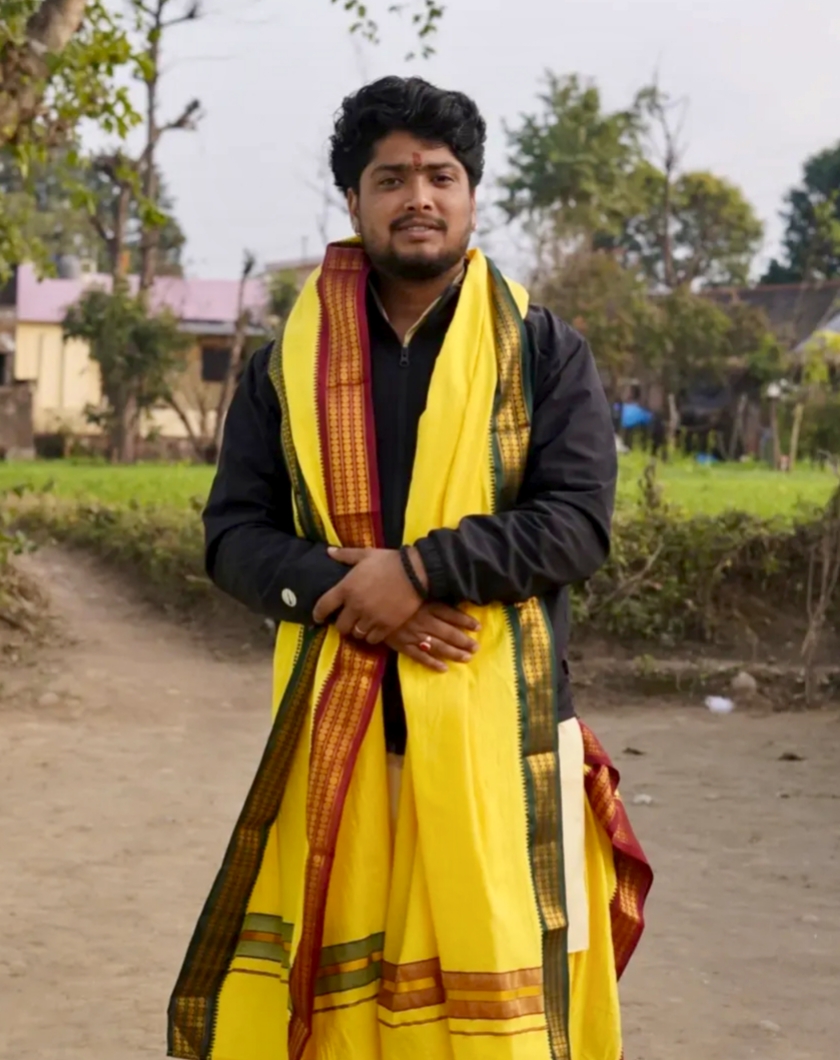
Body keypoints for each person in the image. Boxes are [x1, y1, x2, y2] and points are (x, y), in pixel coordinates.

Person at [168, 76, 652, 1060]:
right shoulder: (279, 367)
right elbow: (233, 536)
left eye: (441, 175)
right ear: (354, 200)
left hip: (501, 747)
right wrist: (355, 594)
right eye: (391, 177)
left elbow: (575, 524)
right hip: (335, 744)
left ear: (473, 196)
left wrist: (422, 570)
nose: (418, 197)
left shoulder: (546, 352)